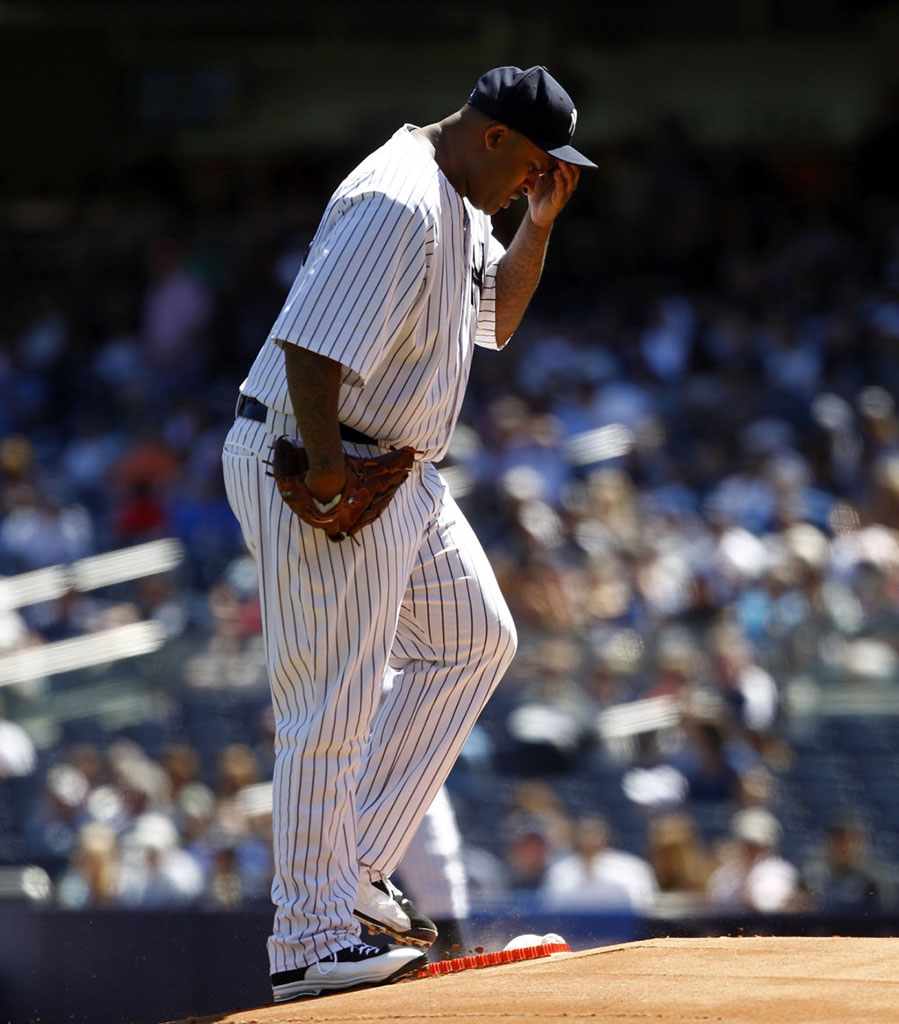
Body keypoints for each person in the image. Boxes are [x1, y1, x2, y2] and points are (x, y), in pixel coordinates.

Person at [222, 64, 594, 1003]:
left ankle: (350, 872)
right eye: (533, 168)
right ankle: (307, 940)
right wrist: (326, 464)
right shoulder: (400, 197)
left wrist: (534, 227)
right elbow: (310, 343)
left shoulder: (465, 200)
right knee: (331, 704)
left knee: (475, 639)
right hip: (318, 452)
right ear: (494, 136)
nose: (534, 180)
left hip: (397, 464)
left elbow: (494, 322)